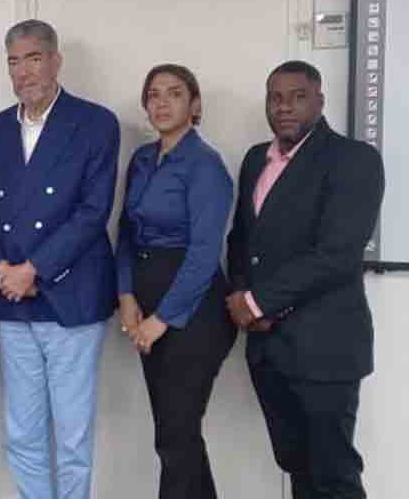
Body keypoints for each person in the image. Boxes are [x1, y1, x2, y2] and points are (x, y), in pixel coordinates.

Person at [0, 19, 120, 499]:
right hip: (12, 300)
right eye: (14, 61)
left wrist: (34, 269)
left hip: (70, 298)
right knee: (22, 432)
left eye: (33, 58)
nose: (23, 71)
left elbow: (93, 211)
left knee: (72, 436)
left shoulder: (95, 123)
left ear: (56, 61)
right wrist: (1, 269)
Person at [225, 60, 384, 499]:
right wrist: (239, 292)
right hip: (268, 349)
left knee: (334, 477)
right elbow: (242, 238)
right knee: (297, 470)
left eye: (297, 97)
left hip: (324, 348)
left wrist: (257, 302)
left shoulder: (353, 159)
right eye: (275, 98)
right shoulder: (256, 159)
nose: (284, 107)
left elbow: (337, 255)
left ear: (319, 101)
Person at [115, 64, 237, 498]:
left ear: (195, 105)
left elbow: (204, 253)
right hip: (146, 299)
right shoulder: (141, 160)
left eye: (174, 93)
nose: (162, 102)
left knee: (175, 433)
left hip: (194, 313)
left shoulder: (206, 165)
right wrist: (126, 295)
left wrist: (161, 319)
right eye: (154, 94)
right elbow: (126, 232)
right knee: (175, 432)